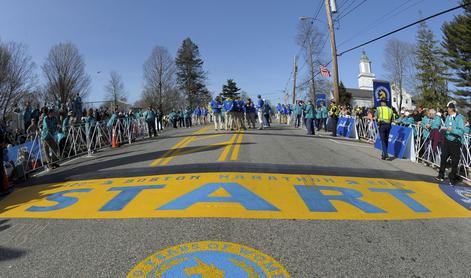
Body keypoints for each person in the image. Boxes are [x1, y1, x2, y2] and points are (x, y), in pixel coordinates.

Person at [436, 102, 465, 185]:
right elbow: (446, 126)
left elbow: (461, 131)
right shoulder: (448, 117)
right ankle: (441, 175)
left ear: (452, 109)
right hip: (447, 140)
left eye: (448, 108)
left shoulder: (459, 118)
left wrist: (451, 130)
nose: (447, 110)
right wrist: (444, 129)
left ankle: (452, 179)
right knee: (443, 157)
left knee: (455, 161)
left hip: (455, 141)